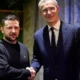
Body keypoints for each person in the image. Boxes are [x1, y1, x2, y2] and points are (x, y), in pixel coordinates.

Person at [30, 0, 80, 80]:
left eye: (52, 8)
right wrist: (33, 68)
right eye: (45, 10)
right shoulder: (38, 35)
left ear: (58, 9)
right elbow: (37, 57)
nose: (49, 12)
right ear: (40, 13)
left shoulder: (74, 31)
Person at [0, 14, 35, 80]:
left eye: (16, 28)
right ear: (2, 29)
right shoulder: (1, 47)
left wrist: (29, 75)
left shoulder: (23, 48)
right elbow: (3, 71)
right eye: (9, 28)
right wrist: (27, 72)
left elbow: (27, 70)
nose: (13, 31)